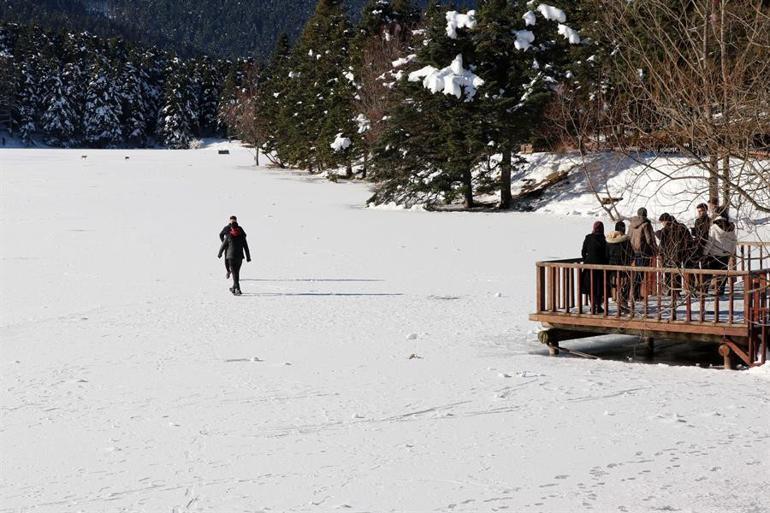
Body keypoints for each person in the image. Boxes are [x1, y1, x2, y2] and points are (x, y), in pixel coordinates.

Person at [703, 211, 737, 295]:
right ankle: (720, 290)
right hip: (725, 254)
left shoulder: (714, 227)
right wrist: (731, 252)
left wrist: (705, 253)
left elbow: (710, 241)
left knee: (708, 273)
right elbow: (734, 241)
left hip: (714, 253)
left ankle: (704, 290)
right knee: (723, 272)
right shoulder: (731, 227)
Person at [628, 207, 657, 299]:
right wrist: (655, 249)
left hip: (633, 251)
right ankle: (636, 294)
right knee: (640, 274)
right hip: (644, 251)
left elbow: (628, 237)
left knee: (637, 273)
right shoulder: (646, 224)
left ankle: (635, 293)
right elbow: (649, 239)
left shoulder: (631, 225)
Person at [581, 221, 608, 314]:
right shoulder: (604, 239)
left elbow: (583, 252)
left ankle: (592, 306)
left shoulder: (588, 237)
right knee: (599, 287)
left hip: (589, 267)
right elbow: (606, 254)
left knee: (590, 286)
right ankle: (598, 306)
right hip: (600, 267)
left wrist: (586, 260)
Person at [218, 221, 251, 295]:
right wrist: (248, 257)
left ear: (232, 228)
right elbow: (246, 247)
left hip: (231, 257)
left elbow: (223, 246)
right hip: (239, 257)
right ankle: (234, 287)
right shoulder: (242, 236)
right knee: (236, 273)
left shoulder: (229, 236)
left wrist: (220, 254)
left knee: (234, 273)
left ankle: (238, 289)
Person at [606, 221, 633, 310]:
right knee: (626, 283)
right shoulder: (625, 241)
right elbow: (631, 253)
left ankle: (615, 298)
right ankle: (623, 300)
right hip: (623, 266)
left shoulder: (609, 239)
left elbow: (606, 253)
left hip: (611, 266)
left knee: (613, 283)